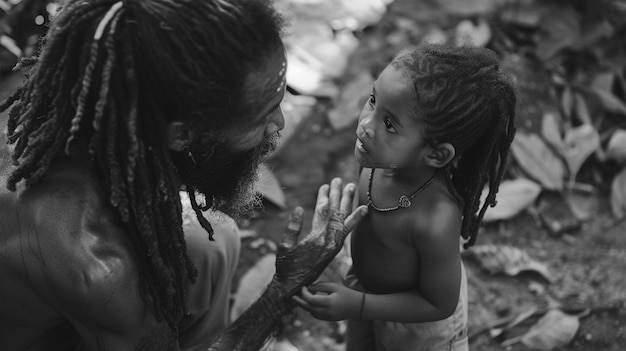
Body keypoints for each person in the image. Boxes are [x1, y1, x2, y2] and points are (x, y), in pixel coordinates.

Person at [0, 0, 367, 350]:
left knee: (211, 241)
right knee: (210, 240)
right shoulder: (100, 268)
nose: (279, 124)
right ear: (180, 134)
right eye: (262, 116)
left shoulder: (69, 106)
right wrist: (282, 290)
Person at [293, 43, 517, 350]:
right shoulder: (376, 164)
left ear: (436, 154)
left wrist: (358, 305)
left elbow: (440, 304)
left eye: (389, 124)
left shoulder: (435, 218)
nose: (366, 125)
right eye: (373, 101)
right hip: (363, 296)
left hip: (420, 329)